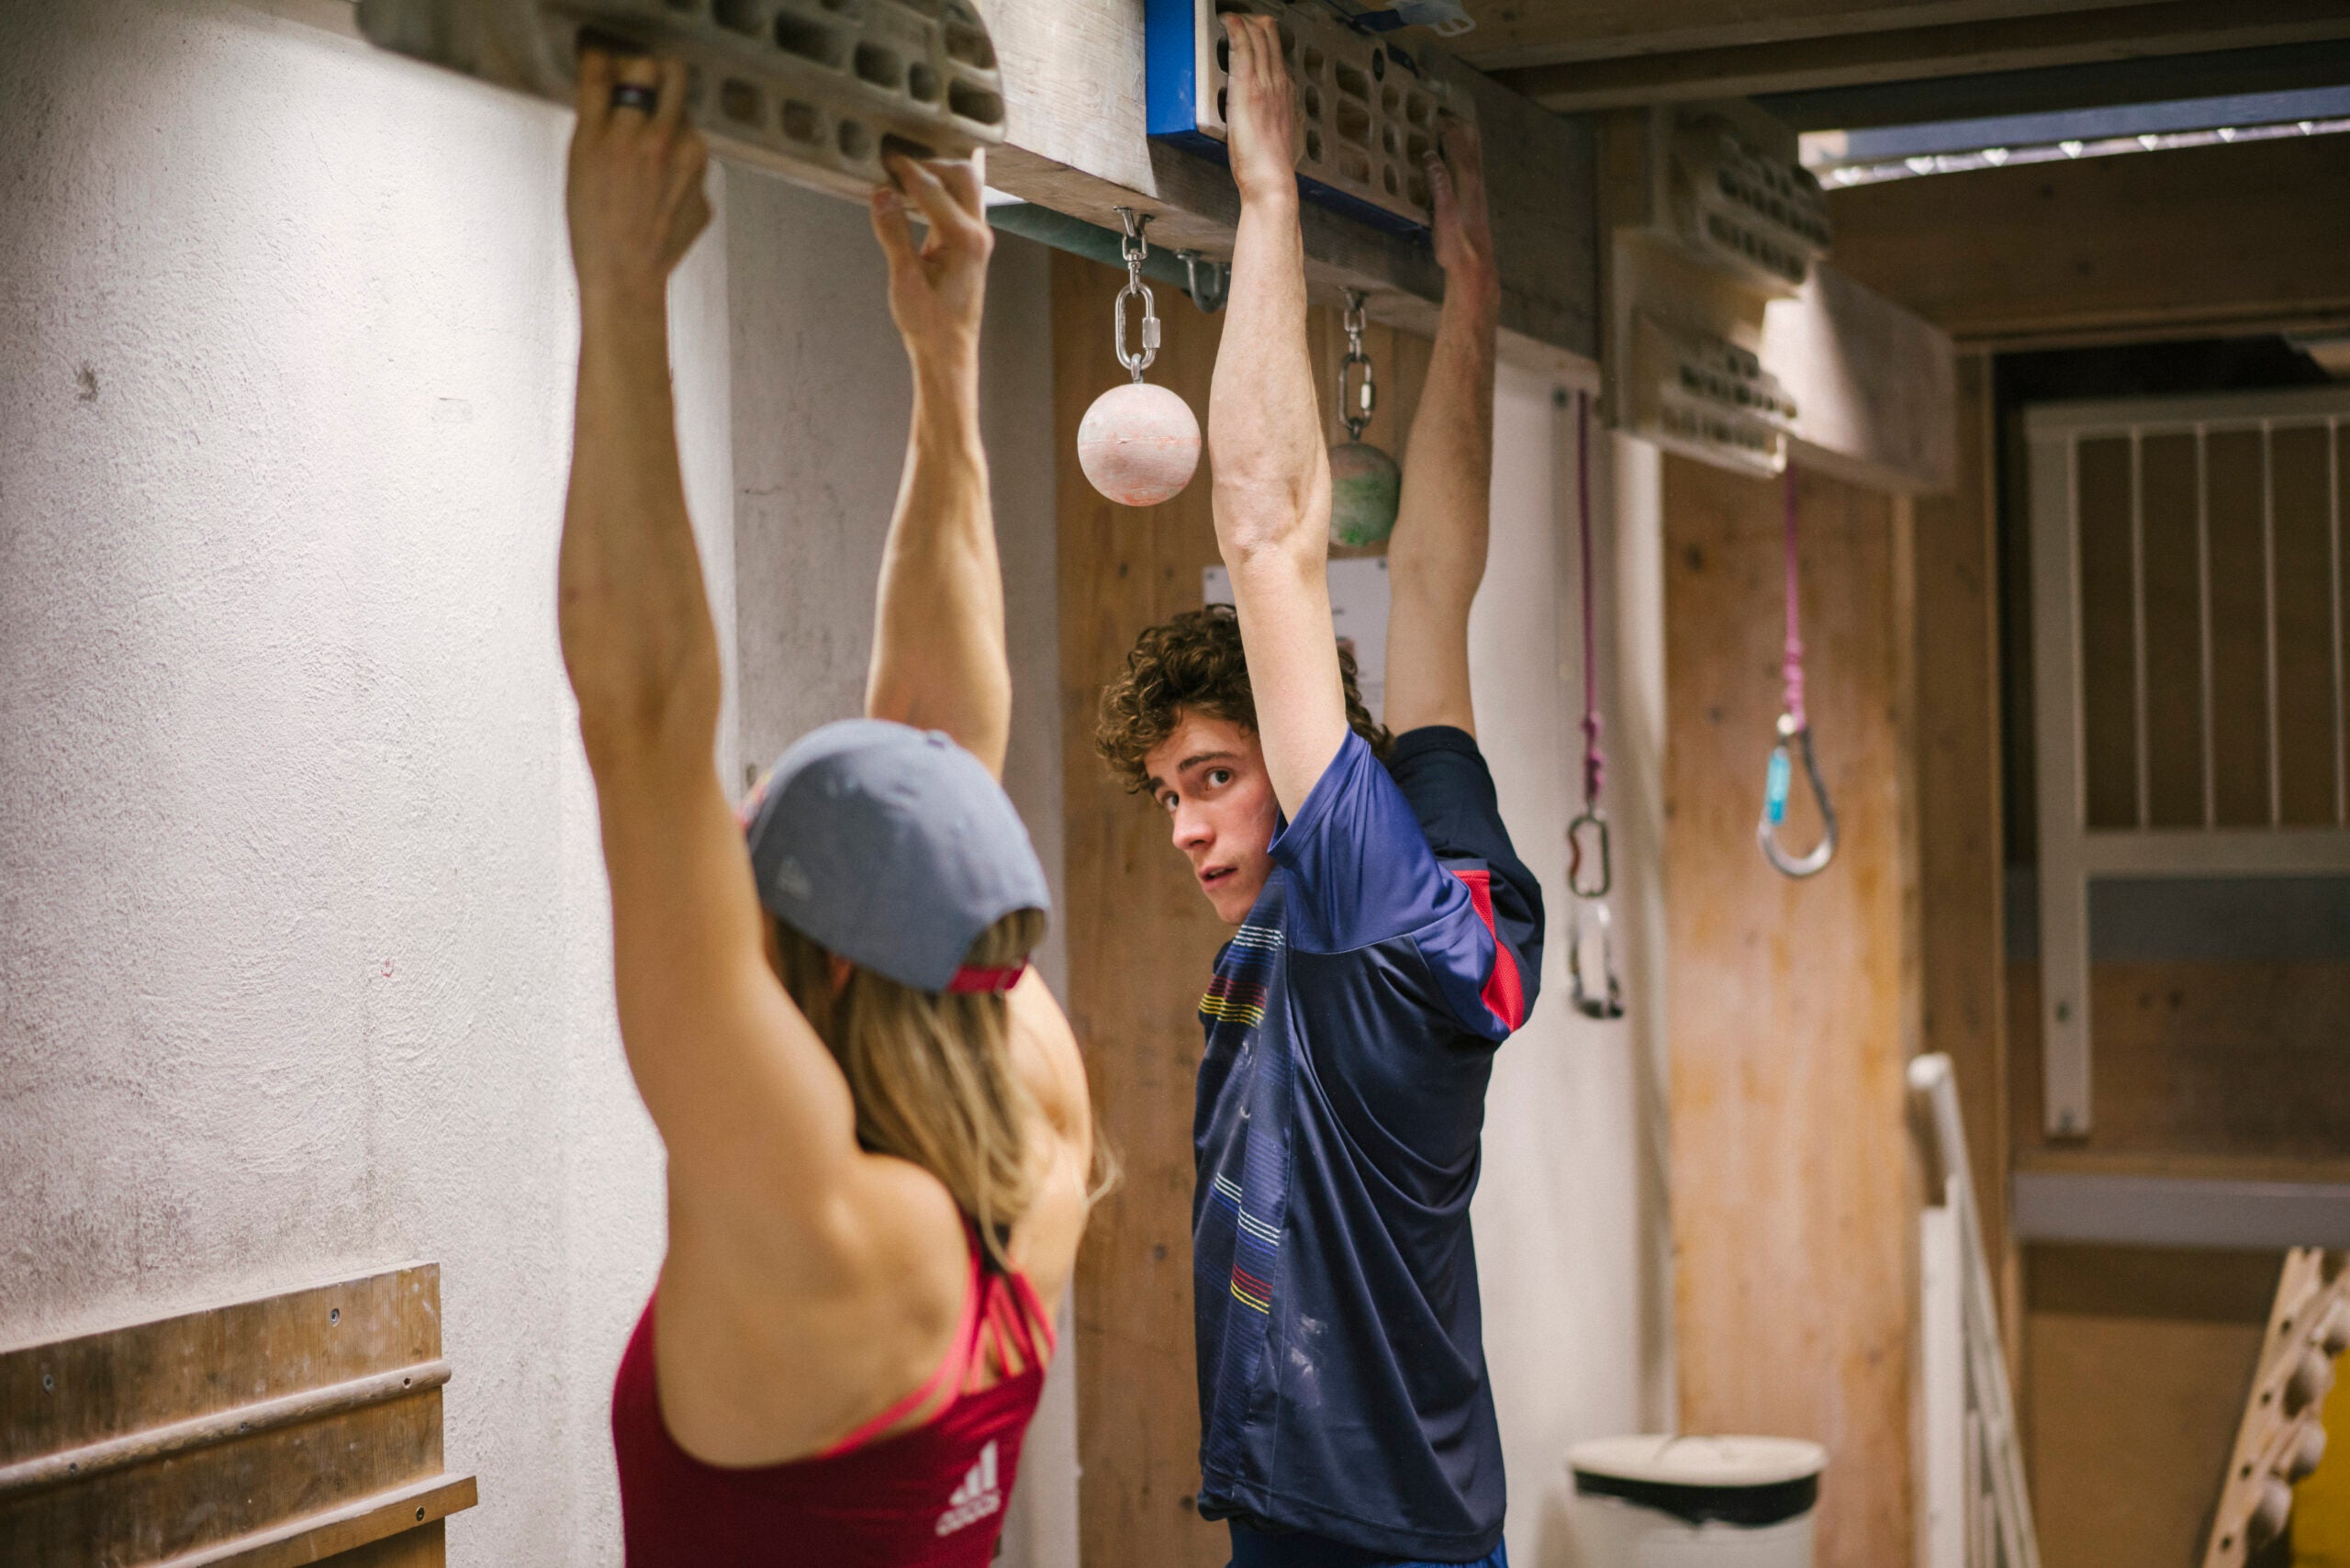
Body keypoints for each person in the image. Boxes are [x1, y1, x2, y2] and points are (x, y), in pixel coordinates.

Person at [556, 49, 1098, 1566]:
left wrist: (620, 294)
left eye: (749, 852)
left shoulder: (819, 1220)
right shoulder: (1035, 1129)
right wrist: (947, 358)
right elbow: (939, 774)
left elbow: (646, 725)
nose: (722, 841)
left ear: (831, 963)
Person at [1091, 17, 1542, 1568]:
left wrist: (1270, 197)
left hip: (1358, 1538)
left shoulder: (1362, 910)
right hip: (1365, 1496)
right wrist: (1469, 295)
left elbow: (1275, 529)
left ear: (1305, 776)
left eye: (1217, 778)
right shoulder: (1459, 880)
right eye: (1167, 793)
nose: (1190, 828)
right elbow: (1433, 582)